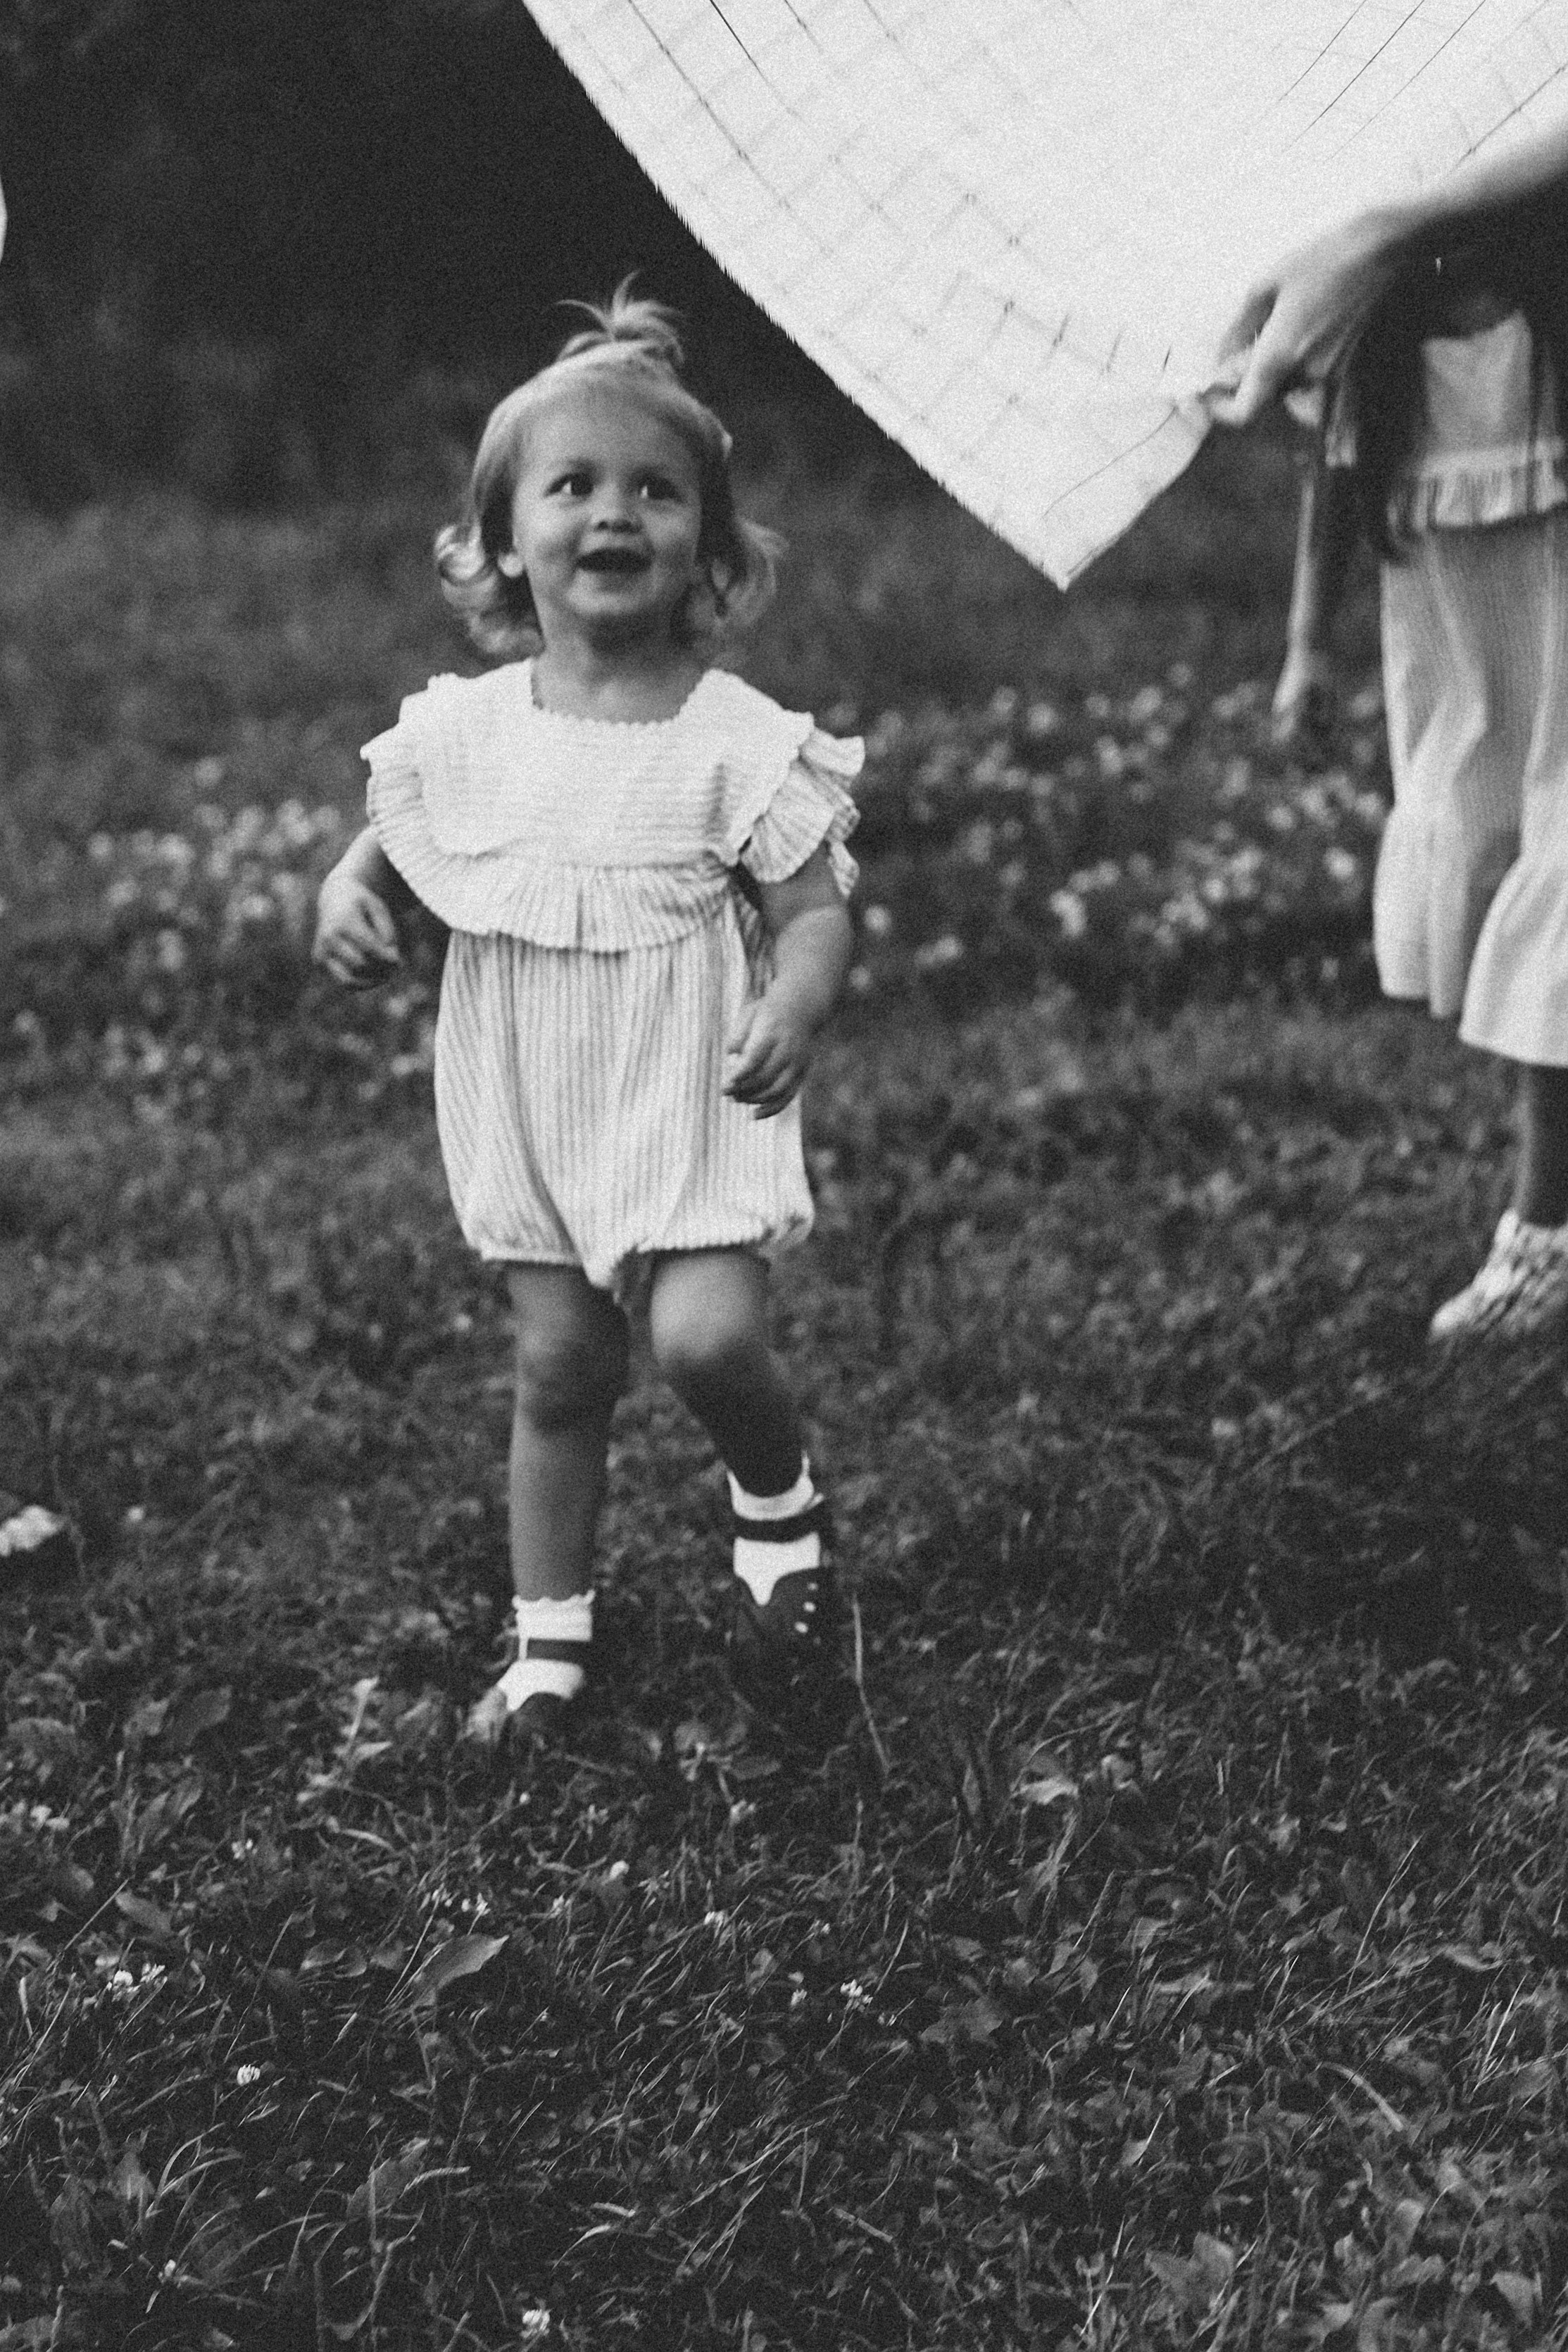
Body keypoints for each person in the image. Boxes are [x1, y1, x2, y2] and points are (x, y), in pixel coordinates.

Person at [313, 290, 861, 1739]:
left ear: (710, 547)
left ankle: (778, 1499)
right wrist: (350, 895)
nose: (612, 514)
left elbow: (810, 911)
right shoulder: (469, 728)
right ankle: (550, 1644)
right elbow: (388, 828)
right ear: (504, 540)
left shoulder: (736, 738)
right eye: (572, 487)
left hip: (690, 1095)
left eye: (655, 491)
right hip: (531, 1106)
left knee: (700, 1340)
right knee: (560, 1363)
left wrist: (796, 1000)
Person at [1210, 110, 1568, 1345]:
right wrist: (1306, 651)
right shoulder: (1382, 341)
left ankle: (1542, 1233)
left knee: (1561, 912)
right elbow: (1333, 495)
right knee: (1517, 901)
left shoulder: (1553, 318)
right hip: (1474, 678)